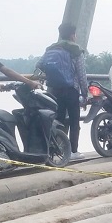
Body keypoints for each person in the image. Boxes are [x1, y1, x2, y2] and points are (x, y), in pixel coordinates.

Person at [36, 22, 88, 157]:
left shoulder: (51, 49)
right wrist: (85, 93)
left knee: (57, 120)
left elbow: (40, 64)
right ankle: (73, 151)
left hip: (53, 89)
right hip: (71, 90)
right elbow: (82, 75)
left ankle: (56, 150)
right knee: (74, 120)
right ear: (72, 35)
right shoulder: (76, 50)